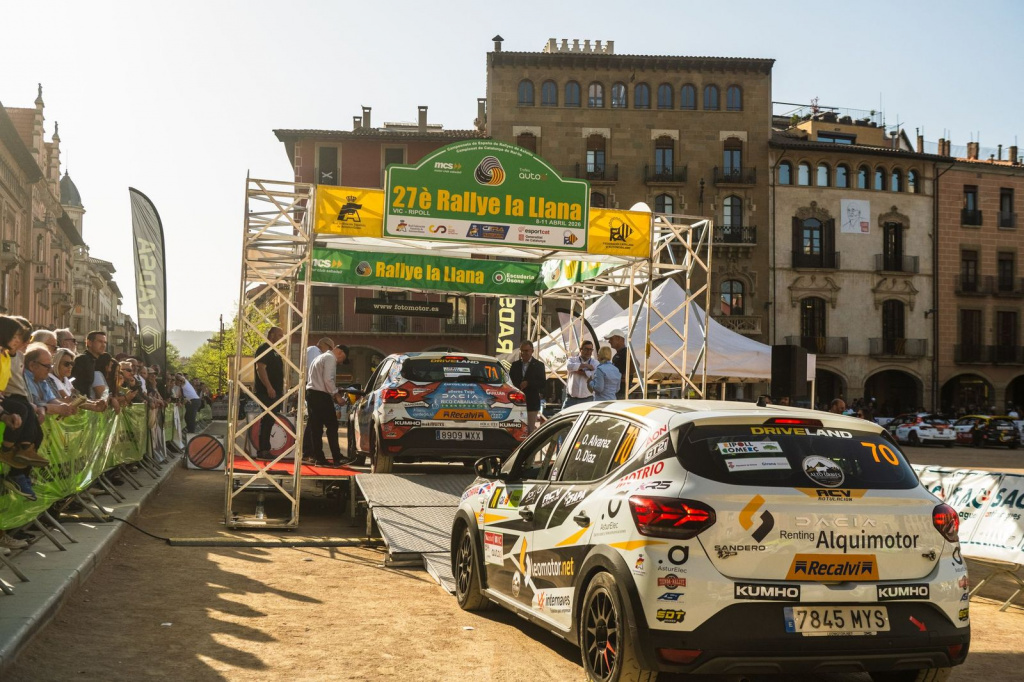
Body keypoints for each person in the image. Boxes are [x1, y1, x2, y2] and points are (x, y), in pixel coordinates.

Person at [302, 344, 350, 466]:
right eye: (342, 359)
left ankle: (319, 457)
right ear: (340, 352)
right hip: (321, 396)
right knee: (332, 426)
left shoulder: (319, 358)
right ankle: (337, 457)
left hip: (312, 394)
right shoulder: (330, 358)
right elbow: (328, 379)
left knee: (316, 428)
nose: (340, 363)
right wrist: (336, 395)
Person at [253, 326, 285, 458]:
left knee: (270, 420)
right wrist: (269, 387)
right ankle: (263, 449)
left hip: (275, 391)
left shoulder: (275, 350)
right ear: (272, 335)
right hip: (267, 392)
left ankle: (265, 448)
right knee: (267, 419)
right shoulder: (264, 348)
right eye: (279, 335)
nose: (282, 338)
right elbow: (260, 368)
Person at [510, 340, 546, 434]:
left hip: (531, 402)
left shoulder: (539, 365)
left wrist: (528, 383)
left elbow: (542, 383)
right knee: (516, 429)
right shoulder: (515, 365)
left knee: (530, 430)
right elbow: (510, 382)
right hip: (516, 402)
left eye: (526, 351)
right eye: (522, 351)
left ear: (532, 351)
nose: (524, 353)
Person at [71, 331, 107, 402]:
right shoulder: (82, 360)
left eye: (105, 342)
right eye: (100, 341)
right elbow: (77, 385)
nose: (103, 345)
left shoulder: (94, 361)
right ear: (89, 343)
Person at [564, 340, 598, 408]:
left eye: (590, 349)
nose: (588, 352)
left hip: (587, 399)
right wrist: (586, 366)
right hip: (571, 399)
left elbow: (594, 375)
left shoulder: (595, 363)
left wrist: (582, 371)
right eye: (586, 349)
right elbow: (569, 367)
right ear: (580, 350)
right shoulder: (572, 360)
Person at [603, 328, 629, 398]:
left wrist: (626, 375)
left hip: (622, 392)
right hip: (617, 391)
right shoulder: (618, 354)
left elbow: (636, 365)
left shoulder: (627, 352)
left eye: (611, 339)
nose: (609, 341)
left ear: (618, 338)